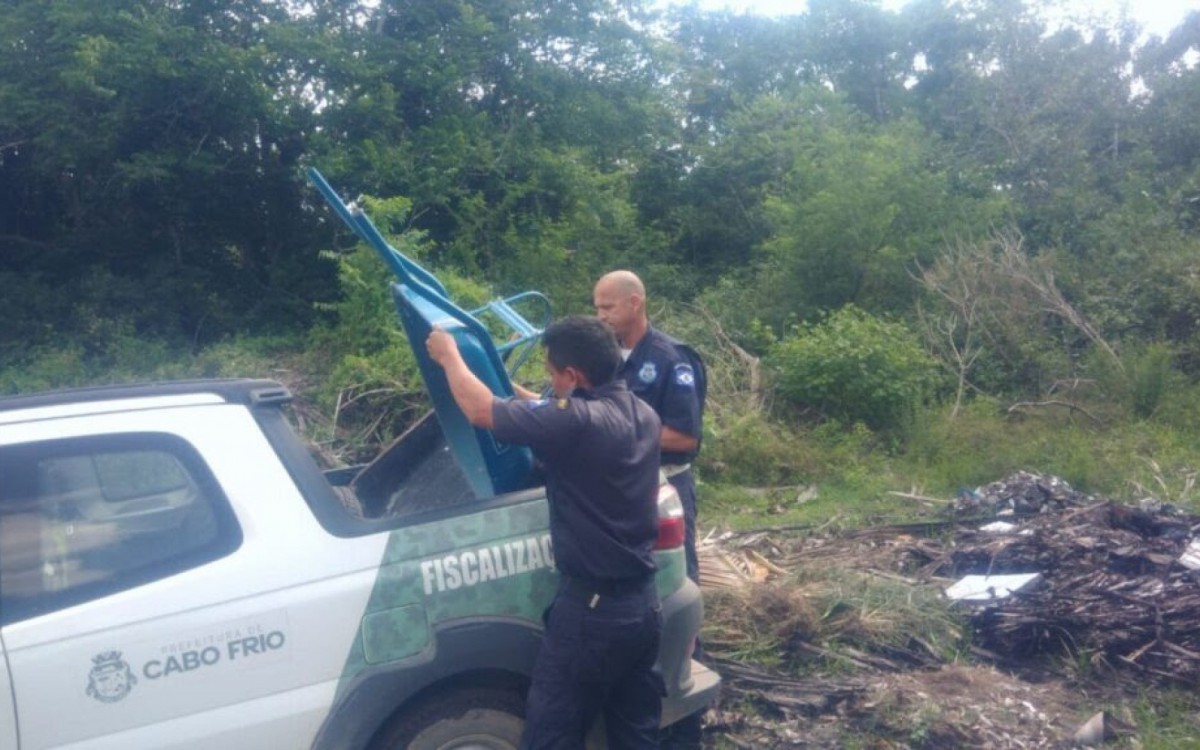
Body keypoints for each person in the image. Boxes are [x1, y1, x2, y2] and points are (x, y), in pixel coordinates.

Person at [426, 315, 665, 749]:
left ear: (573, 376)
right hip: (643, 608)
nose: (552, 383)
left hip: (592, 615)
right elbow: (548, 408)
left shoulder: (577, 421)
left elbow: (481, 412)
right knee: (634, 732)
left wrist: (450, 357)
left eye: (555, 375)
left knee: (553, 733)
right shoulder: (641, 413)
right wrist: (503, 382)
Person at [594, 269, 707, 750]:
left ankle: (682, 710)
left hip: (666, 492)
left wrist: (619, 429)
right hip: (621, 493)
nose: (600, 316)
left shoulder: (669, 359)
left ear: (635, 303)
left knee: (677, 592)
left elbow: (685, 436)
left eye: (608, 308)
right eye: (596, 308)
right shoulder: (604, 356)